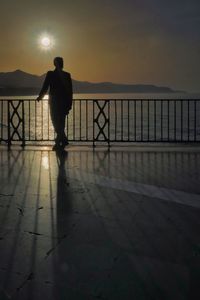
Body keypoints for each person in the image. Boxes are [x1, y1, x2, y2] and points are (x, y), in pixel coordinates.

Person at [37, 57, 73, 150]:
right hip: (59, 102)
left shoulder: (54, 74)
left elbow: (45, 87)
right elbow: (69, 92)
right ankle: (62, 139)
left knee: (57, 122)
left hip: (56, 101)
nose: (62, 63)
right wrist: (41, 96)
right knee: (59, 122)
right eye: (61, 62)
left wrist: (40, 96)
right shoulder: (56, 74)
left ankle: (59, 142)